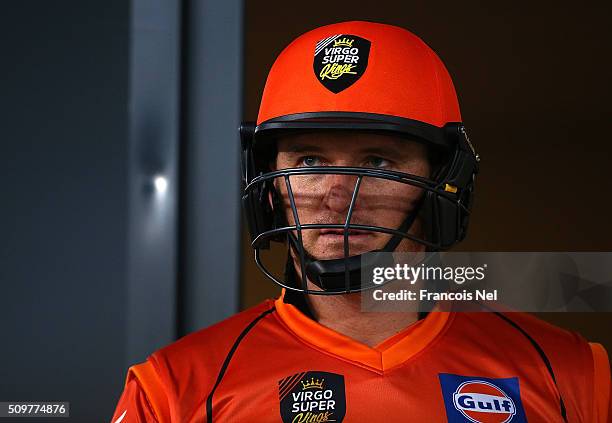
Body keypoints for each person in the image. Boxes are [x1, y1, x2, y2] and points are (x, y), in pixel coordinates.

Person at [111, 21, 610, 423]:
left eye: (377, 164)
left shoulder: (571, 375)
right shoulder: (174, 390)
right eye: (308, 163)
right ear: (268, 188)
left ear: (444, 183)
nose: (336, 196)